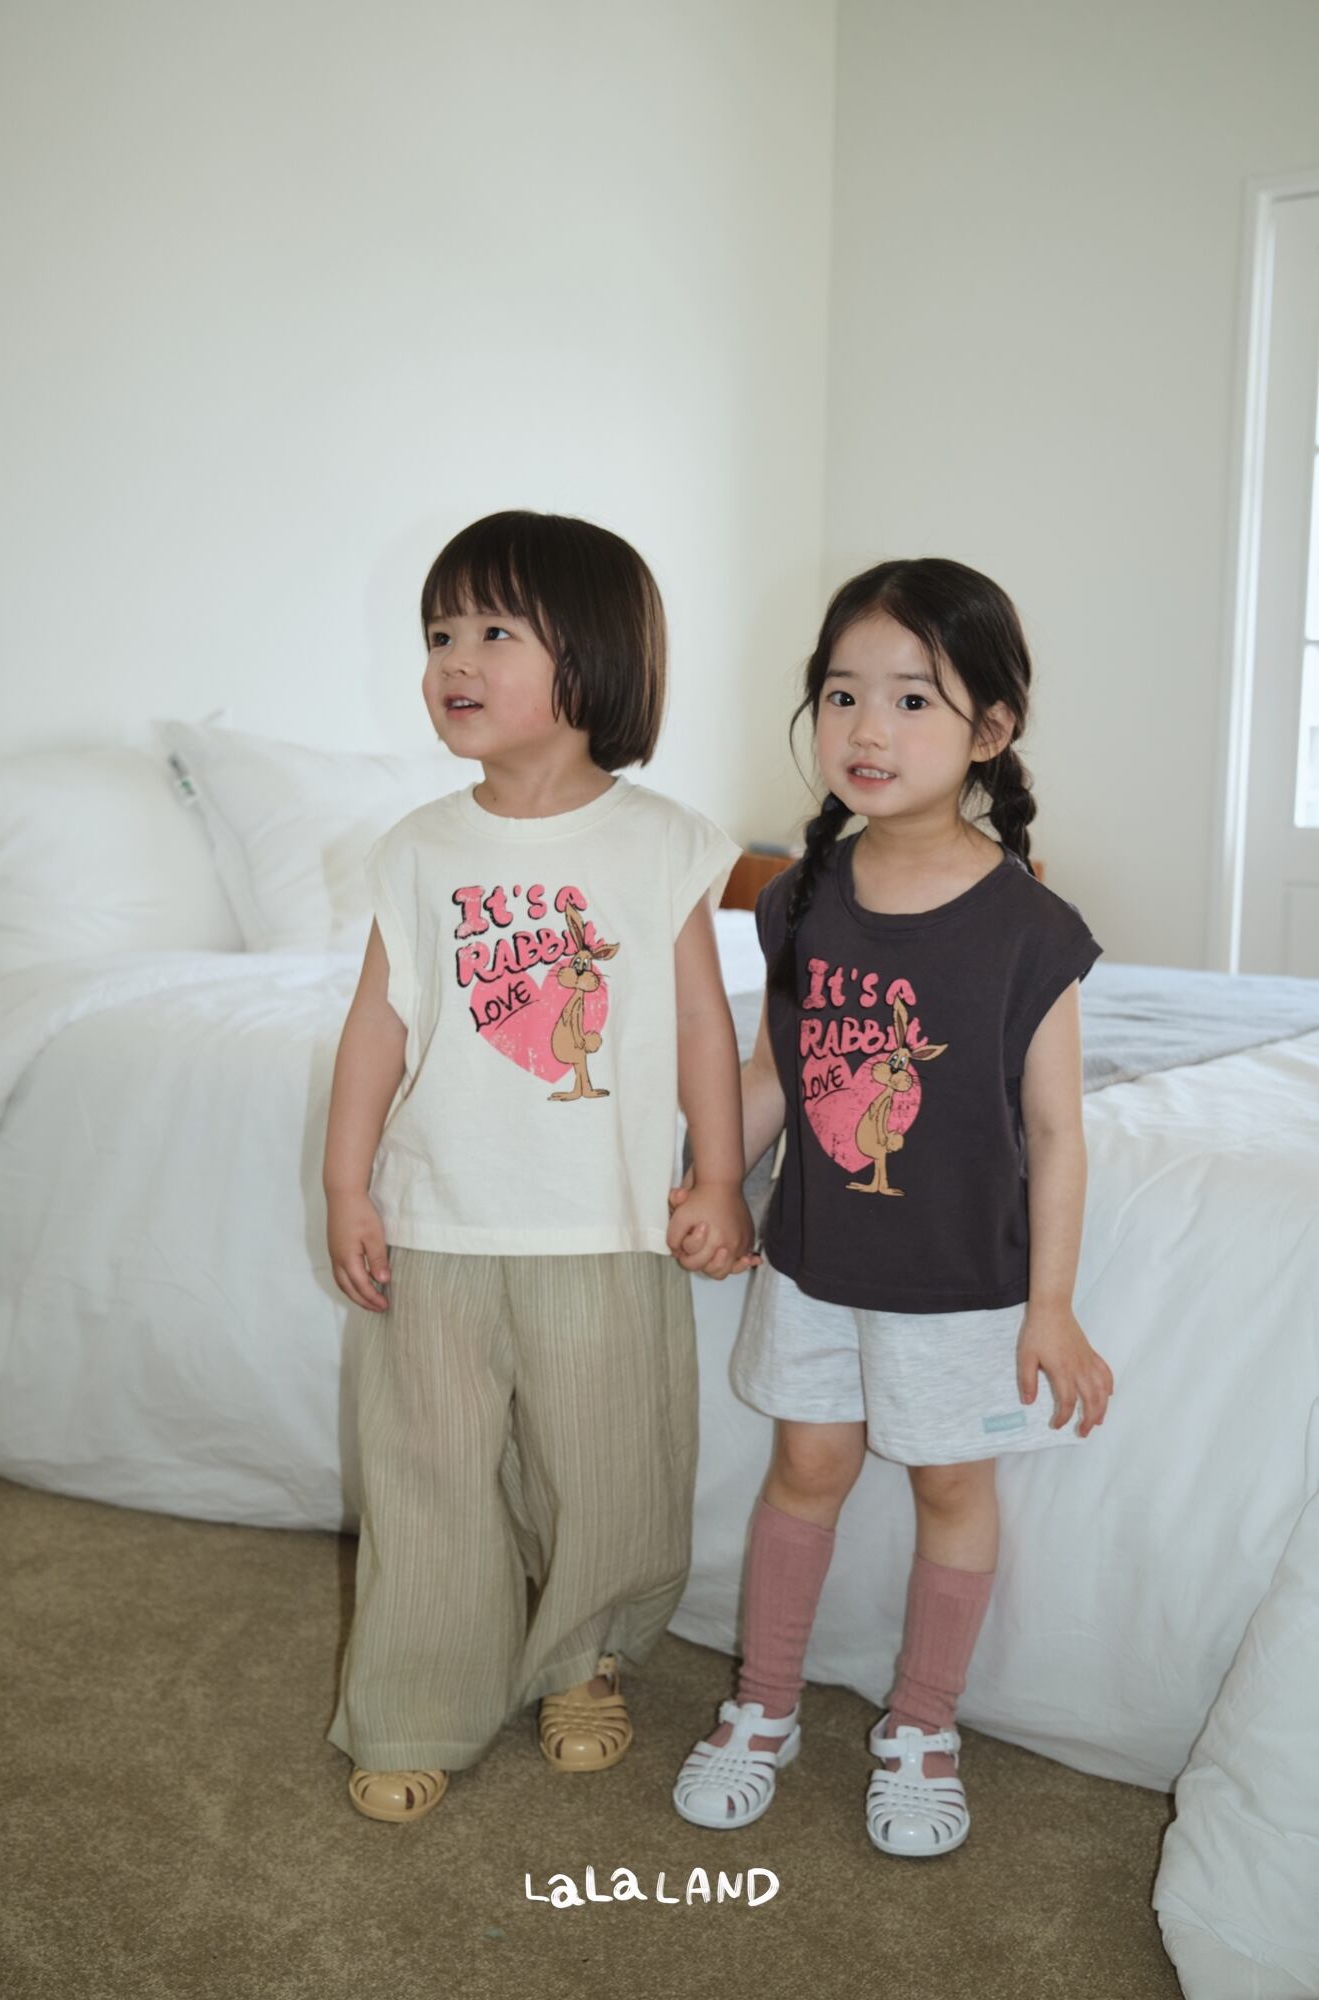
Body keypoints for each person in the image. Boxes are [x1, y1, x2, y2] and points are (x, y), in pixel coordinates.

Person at [670, 557, 1113, 1857]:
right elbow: (773, 1071)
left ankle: (921, 1725)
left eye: (913, 700)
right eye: (842, 694)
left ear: (989, 730)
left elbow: (1056, 1131)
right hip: (815, 1261)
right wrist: (714, 1180)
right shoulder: (800, 898)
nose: (868, 728)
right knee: (806, 1468)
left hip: (962, 1280)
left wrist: (1050, 1307)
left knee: (949, 1485)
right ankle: (763, 1704)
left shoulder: (1029, 928)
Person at [325, 508, 754, 1822]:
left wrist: (718, 1177)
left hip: (602, 1225)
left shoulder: (662, 839)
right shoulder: (417, 849)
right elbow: (377, 1027)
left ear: (594, 658)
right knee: (427, 1477)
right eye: (438, 633)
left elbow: (701, 1022)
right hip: (438, 1223)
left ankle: (581, 1658)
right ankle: (416, 1700)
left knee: (609, 1469)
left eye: (493, 631)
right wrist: (345, 1184)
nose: (453, 658)